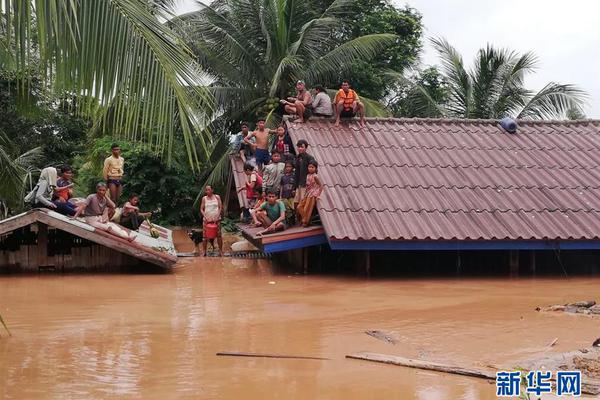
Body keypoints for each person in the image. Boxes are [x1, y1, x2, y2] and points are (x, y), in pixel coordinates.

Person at [297, 160, 323, 227]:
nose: (310, 168)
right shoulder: (308, 175)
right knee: (299, 207)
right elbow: (307, 186)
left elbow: (320, 186)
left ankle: (305, 222)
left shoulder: (315, 176)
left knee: (308, 208)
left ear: (316, 169)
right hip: (308, 193)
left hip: (313, 193)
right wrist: (304, 194)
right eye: (309, 167)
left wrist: (318, 195)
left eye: (312, 167)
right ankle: (305, 219)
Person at [200, 185, 223, 256]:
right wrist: (205, 217)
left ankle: (220, 251)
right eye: (206, 190)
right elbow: (201, 209)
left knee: (219, 235)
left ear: (212, 190)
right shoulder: (204, 198)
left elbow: (220, 207)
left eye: (209, 190)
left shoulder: (217, 197)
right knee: (204, 236)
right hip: (206, 220)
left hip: (216, 220)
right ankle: (204, 251)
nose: (207, 191)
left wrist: (217, 216)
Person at [293, 139, 316, 209]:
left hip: (305, 183)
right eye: (299, 147)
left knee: (302, 203)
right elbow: (296, 172)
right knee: (296, 202)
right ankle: (296, 218)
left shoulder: (310, 158)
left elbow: (313, 170)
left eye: (302, 147)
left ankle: (302, 218)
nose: (300, 148)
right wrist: (295, 186)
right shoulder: (297, 157)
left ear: (306, 148)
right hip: (298, 183)